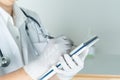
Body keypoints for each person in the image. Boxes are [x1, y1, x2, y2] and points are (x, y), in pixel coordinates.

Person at [0, 0, 89, 80]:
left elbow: (46, 74)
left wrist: (64, 74)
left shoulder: (32, 18)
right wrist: (40, 64)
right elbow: (42, 64)